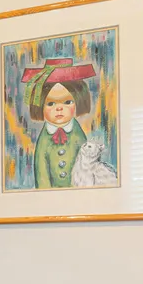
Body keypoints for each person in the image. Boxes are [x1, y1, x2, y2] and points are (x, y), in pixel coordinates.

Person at [20, 58, 102, 189]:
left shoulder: (77, 134)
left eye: (67, 102)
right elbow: (41, 169)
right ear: (40, 106)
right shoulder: (44, 139)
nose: (59, 108)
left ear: (79, 101)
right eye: (51, 103)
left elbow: (86, 166)